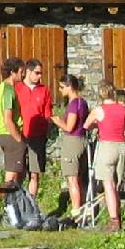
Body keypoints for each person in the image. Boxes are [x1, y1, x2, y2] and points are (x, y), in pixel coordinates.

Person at [89, 84, 125, 230]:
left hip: (106, 146)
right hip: (121, 146)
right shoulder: (123, 107)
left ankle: (114, 221)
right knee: (116, 184)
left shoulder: (99, 110)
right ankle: (117, 217)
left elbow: (85, 126)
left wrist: (97, 125)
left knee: (108, 185)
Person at [0, 54, 28, 192]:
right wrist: (19, 139)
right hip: (10, 135)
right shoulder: (8, 90)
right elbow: (8, 119)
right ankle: (10, 207)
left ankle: (14, 206)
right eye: (21, 72)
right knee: (12, 176)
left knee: (17, 173)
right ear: (13, 72)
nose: (23, 75)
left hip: (2, 135)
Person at [55, 72, 91, 217]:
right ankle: (83, 208)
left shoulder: (73, 104)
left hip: (72, 141)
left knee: (72, 178)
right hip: (82, 140)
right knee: (80, 178)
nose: (60, 90)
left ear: (70, 87)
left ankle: (76, 211)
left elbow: (69, 127)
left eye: (62, 87)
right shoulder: (83, 102)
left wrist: (57, 121)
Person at [15, 61, 55, 183]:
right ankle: (18, 199)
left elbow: (47, 113)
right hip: (20, 134)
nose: (39, 76)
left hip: (38, 136)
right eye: (37, 73)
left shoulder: (44, 90)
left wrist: (47, 130)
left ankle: (31, 200)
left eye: (41, 73)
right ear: (28, 71)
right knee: (18, 171)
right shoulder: (17, 88)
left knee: (34, 173)